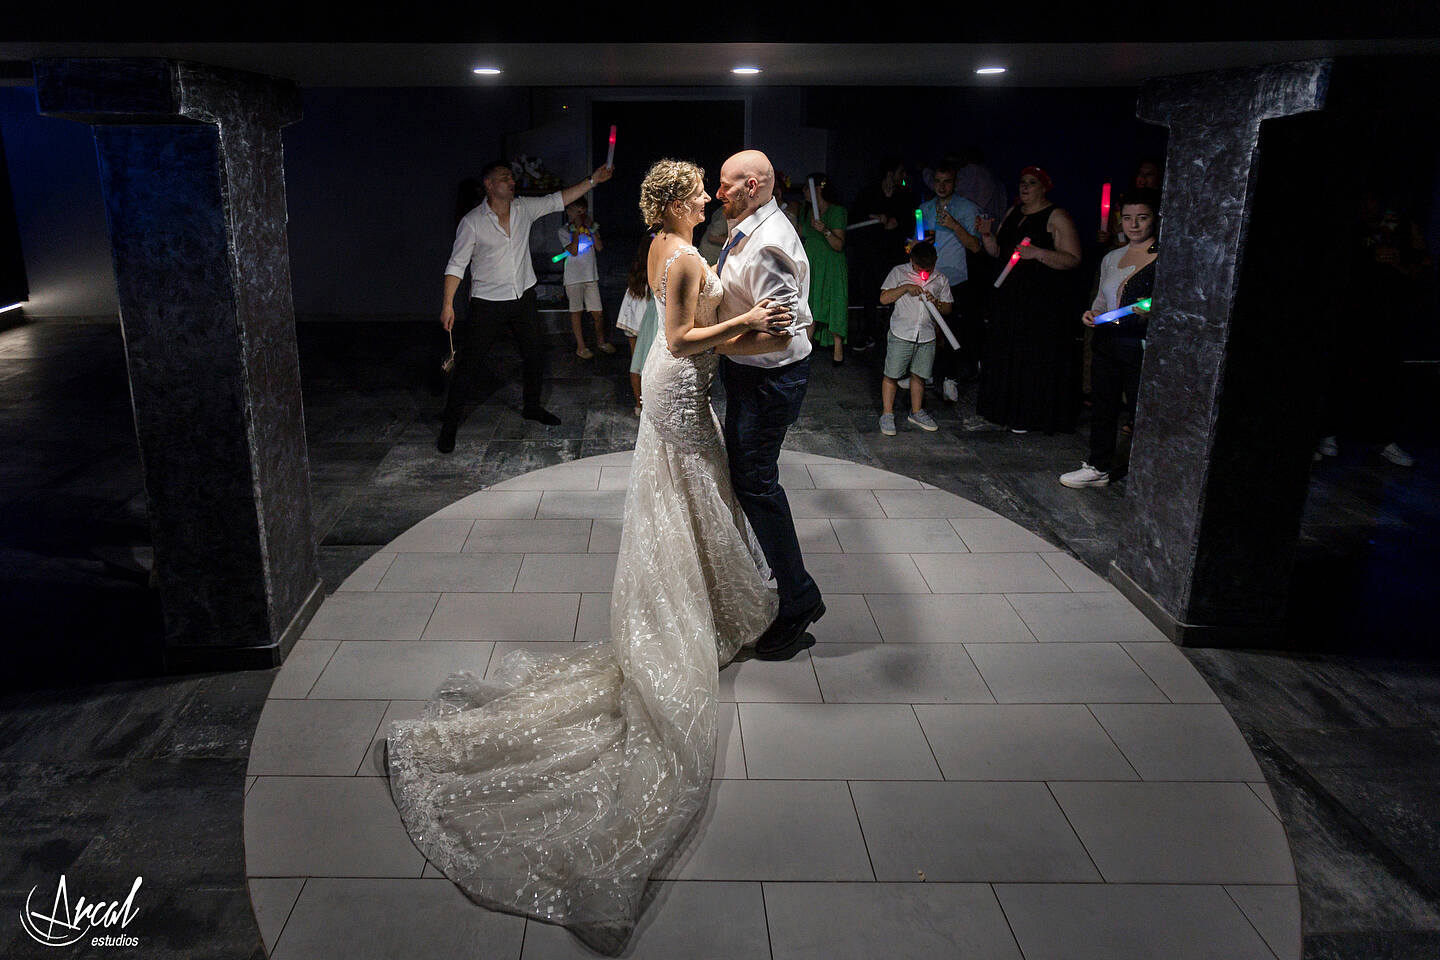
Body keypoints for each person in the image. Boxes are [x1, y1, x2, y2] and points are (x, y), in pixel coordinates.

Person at [388, 158, 796, 954]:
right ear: (677, 202)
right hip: (682, 385)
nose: (712, 195)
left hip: (682, 388)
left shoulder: (670, 242)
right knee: (694, 492)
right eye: (700, 190)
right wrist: (745, 327)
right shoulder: (674, 252)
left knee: (700, 496)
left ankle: (712, 593)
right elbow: (678, 336)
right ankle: (691, 606)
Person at [716, 149, 827, 660]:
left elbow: (780, 340)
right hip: (748, 375)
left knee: (756, 483)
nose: (719, 194)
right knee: (746, 479)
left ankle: (799, 599)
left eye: (727, 185)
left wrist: (704, 343)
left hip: (769, 381)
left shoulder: (767, 247)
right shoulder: (749, 229)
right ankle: (762, 570)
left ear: (755, 186)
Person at [437, 159, 614, 452]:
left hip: (523, 298)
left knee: (535, 355)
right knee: (469, 364)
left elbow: (559, 200)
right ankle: (449, 426)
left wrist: (593, 180)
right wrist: (448, 304)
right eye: (504, 178)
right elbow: (456, 266)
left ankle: (532, 407)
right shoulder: (473, 222)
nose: (512, 181)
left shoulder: (524, 209)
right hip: (488, 302)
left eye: (511, 177)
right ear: (489, 185)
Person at [1061, 189, 1159, 488]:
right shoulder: (1112, 256)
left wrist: (1151, 311)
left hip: (1139, 344)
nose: (1134, 225)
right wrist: (1091, 314)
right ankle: (1098, 465)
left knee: (1142, 410)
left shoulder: (1163, 257)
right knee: (1104, 406)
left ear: (1154, 219)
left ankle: (1149, 475)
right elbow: (1103, 301)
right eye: (1128, 218)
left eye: (1141, 218)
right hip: (1107, 340)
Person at [976, 165, 1083, 434]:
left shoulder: (1056, 216)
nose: (1024, 187)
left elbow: (1072, 259)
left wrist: (1038, 253)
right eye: (1022, 181)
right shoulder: (1013, 213)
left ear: (1044, 187)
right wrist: (987, 236)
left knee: (1030, 358)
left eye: (1032, 183)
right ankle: (1004, 410)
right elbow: (999, 252)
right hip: (1009, 298)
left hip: (1038, 304)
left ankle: (1028, 414)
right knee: (1006, 353)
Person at [878, 240, 952, 435]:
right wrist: (905, 288)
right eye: (921, 267)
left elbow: (947, 308)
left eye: (930, 267)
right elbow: (884, 298)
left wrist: (936, 303)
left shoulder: (941, 279)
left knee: (919, 375)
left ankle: (917, 411)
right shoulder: (898, 272)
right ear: (912, 261)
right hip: (901, 332)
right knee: (892, 374)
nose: (925, 271)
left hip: (926, 335)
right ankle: (887, 413)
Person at [921, 162, 982, 397]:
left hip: (955, 277)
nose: (941, 186)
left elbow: (975, 246)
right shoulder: (925, 208)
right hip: (929, 275)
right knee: (928, 327)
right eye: (937, 181)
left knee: (953, 329)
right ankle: (925, 372)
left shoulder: (967, 208)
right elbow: (919, 242)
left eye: (946, 181)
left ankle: (951, 378)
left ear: (954, 183)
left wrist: (954, 225)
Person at [850, 158, 919, 351]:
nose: (904, 176)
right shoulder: (869, 194)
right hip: (871, 254)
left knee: (895, 296)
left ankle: (893, 336)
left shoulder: (906, 197)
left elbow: (911, 224)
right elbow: (854, 219)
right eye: (901, 172)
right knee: (870, 294)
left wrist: (897, 222)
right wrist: (873, 218)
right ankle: (868, 333)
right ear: (890, 173)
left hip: (895, 255)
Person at [799, 173, 849, 365]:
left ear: (818, 189)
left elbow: (838, 244)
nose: (803, 192)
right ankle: (806, 346)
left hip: (831, 264)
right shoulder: (806, 210)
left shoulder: (836, 211)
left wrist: (825, 230)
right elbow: (801, 231)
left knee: (834, 301)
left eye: (806, 188)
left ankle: (838, 350)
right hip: (812, 262)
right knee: (810, 301)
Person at [559, 197, 613, 359]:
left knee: (598, 313)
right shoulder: (563, 230)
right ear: (569, 212)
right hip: (573, 278)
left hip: (591, 276)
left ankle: (601, 342)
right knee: (576, 312)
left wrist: (591, 229)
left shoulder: (590, 229)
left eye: (582, 211)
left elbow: (599, 247)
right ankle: (581, 347)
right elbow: (573, 251)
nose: (580, 214)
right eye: (577, 211)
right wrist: (575, 229)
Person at [615, 235, 658, 416]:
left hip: (639, 319)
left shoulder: (638, 276)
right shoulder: (647, 276)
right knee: (643, 365)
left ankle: (640, 404)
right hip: (644, 320)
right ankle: (643, 405)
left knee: (637, 363)